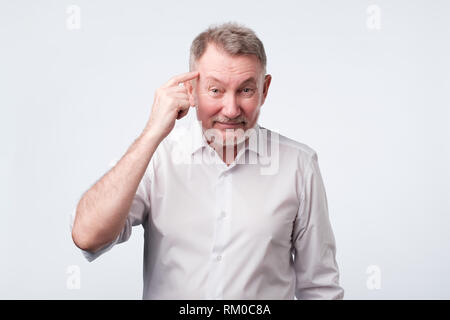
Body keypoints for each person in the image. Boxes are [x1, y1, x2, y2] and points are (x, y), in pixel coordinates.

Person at [71, 22, 344, 300]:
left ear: (265, 89)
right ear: (191, 90)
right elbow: (88, 237)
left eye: (246, 90)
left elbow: (319, 288)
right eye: (215, 90)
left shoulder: (299, 165)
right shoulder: (157, 158)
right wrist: (152, 132)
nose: (231, 109)